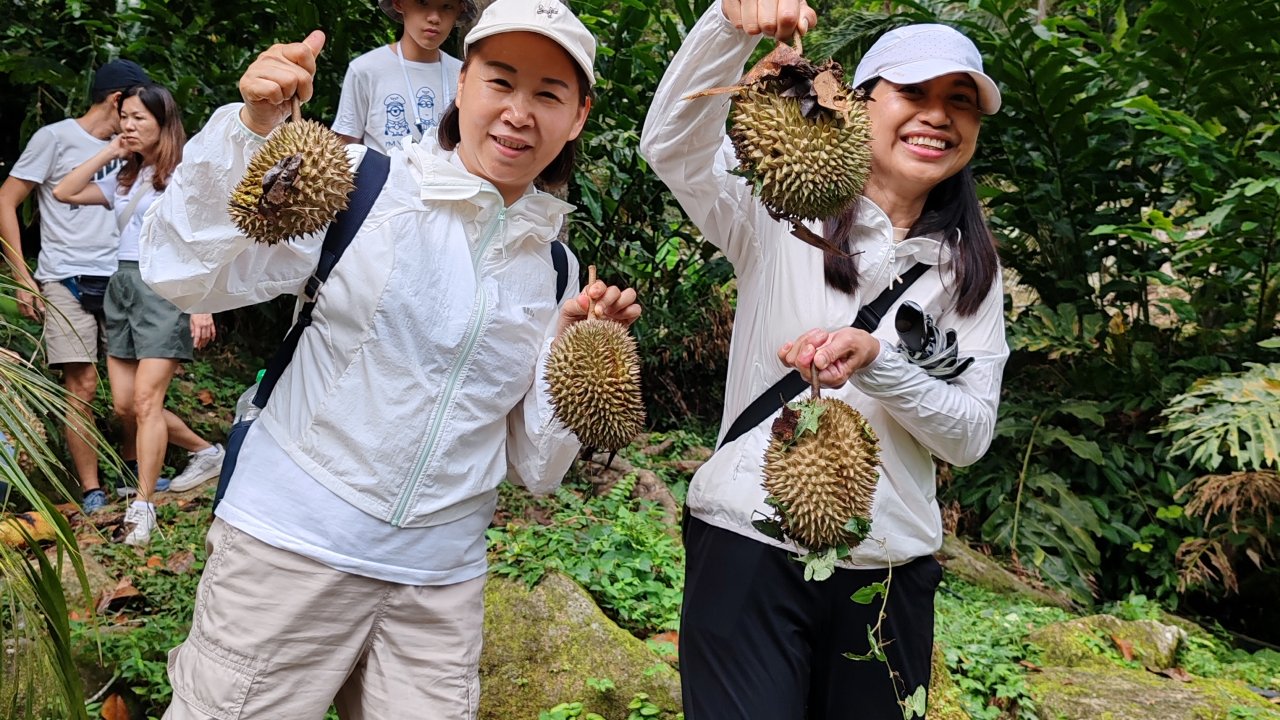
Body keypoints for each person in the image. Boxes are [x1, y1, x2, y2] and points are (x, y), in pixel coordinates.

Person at [139, 1, 638, 716]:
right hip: (290, 550)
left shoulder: (556, 268)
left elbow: (537, 467)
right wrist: (249, 132)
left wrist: (578, 345)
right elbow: (183, 271)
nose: (519, 113)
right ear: (462, 84)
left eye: (548, 94)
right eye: (500, 81)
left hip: (437, 591)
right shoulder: (362, 183)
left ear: (579, 116)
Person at [640, 2, 1008, 718]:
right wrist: (727, 22)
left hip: (887, 573)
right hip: (748, 540)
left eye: (959, 103)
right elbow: (672, 146)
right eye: (915, 93)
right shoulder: (779, 207)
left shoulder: (970, 274)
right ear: (858, 102)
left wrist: (879, 361)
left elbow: (968, 436)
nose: (937, 116)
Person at [53, 83, 224, 546]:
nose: (128, 125)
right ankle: (208, 451)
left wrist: (201, 303)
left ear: (163, 124)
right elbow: (65, 191)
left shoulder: (187, 173)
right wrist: (111, 149)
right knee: (125, 405)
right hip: (122, 289)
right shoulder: (124, 178)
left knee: (147, 403)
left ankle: (143, 507)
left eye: (138, 119)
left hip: (165, 289)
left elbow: (206, 240)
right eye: (124, 117)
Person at [0, 59, 150, 514]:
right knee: (81, 386)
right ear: (118, 100)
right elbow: (7, 200)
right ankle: (91, 489)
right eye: (137, 103)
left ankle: (130, 469)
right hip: (65, 276)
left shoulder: (134, 145)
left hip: (122, 276)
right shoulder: (55, 138)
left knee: (132, 383)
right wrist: (24, 277)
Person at [332, 0, 476, 152]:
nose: (434, 18)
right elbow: (344, 149)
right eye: (423, 3)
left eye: (447, 6)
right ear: (399, 3)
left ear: (459, 10)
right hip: (383, 175)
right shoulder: (365, 70)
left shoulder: (465, 75)